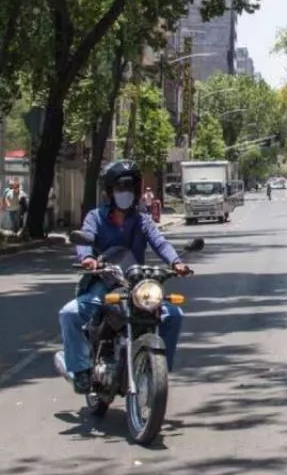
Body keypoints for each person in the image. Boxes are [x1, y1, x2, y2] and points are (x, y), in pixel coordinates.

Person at [55, 160, 191, 394]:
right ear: (110, 191)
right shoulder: (95, 217)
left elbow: (159, 242)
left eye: (129, 188)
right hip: (104, 282)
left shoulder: (142, 220)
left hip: (135, 284)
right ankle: (80, 370)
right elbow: (85, 238)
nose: (125, 193)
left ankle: (158, 372)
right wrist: (87, 258)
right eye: (120, 188)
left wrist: (176, 262)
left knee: (174, 314)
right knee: (69, 314)